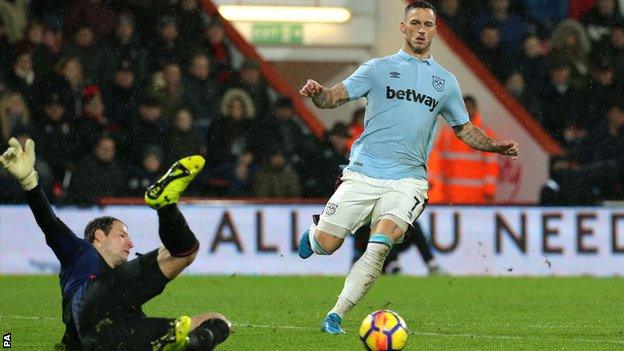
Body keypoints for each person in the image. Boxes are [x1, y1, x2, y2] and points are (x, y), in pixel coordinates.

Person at [297, 0, 519, 335]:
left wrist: (494, 145)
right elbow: (334, 97)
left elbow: (464, 129)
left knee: (381, 242)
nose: (420, 30)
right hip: (362, 173)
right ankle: (314, 236)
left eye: (427, 25)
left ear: (434, 30)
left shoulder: (445, 82)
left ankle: (336, 314)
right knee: (328, 245)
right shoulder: (377, 69)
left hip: (408, 181)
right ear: (403, 27)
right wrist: (317, 93)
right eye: (414, 23)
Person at [0, 137, 231, 350]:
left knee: (219, 321)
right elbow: (49, 223)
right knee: (181, 254)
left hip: (103, 335)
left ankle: (192, 343)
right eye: (122, 235)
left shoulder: (124, 288)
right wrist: (29, 182)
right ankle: (166, 207)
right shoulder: (80, 252)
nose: (130, 243)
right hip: (87, 304)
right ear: (99, 236)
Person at [427, 95, 500, 204]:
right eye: (464, 107)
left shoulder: (486, 134)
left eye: (469, 107)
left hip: (477, 198)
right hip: (450, 196)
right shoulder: (446, 133)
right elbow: (437, 165)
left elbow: (492, 165)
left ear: (475, 109)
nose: (467, 110)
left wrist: (489, 191)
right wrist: (437, 192)